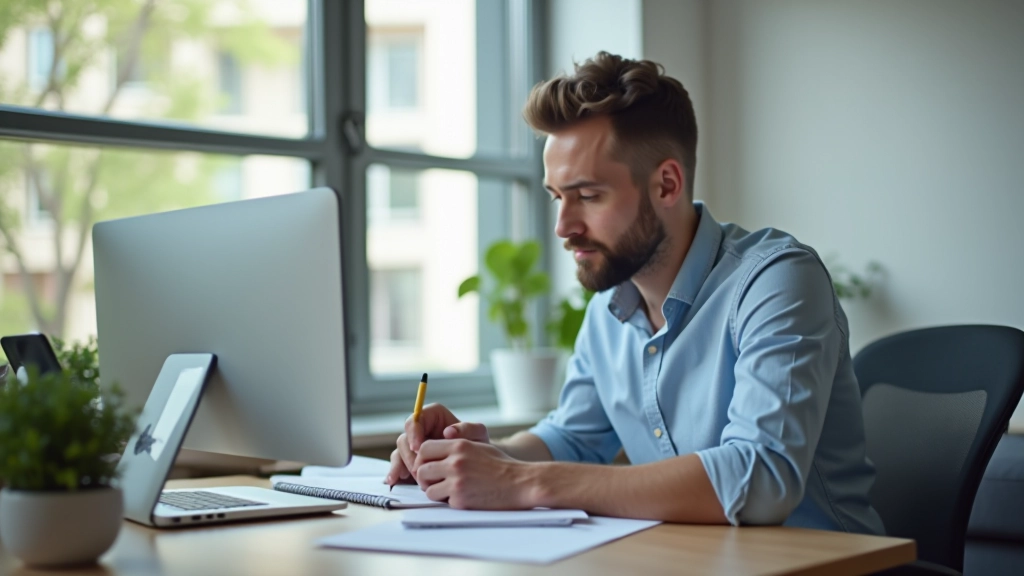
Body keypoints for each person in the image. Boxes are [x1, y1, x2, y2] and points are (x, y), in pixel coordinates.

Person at [387, 51, 884, 533]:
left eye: (587, 196)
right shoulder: (610, 307)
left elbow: (761, 478)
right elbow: (573, 438)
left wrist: (523, 481)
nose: (563, 226)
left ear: (666, 184)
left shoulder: (775, 281)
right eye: (558, 197)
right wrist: (473, 455)